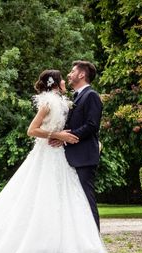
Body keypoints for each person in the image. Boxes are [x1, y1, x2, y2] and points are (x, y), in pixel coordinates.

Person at [0, 70, 106, 253]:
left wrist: (64, 136)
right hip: (48, 154)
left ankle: (70, 247)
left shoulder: (64, 101)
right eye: (63, 78)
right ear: (56, 83)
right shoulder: (47, 102)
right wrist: (56, 135)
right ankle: (42, 247)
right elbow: (31, 130)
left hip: (61, 156)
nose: (67, 79)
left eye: (70, 74)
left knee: (64, 199)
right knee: (41, 197)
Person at [49, 61, 103, 230]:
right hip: (74, 156)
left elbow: (92, 125)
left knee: (86, 199)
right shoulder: (77, 97)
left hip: (84, 156)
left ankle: (94, 242)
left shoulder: (91, 95)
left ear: (81, 75)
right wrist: (61, 136)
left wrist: (67, 137)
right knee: (77, 200)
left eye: (72, 71)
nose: (69, 75)